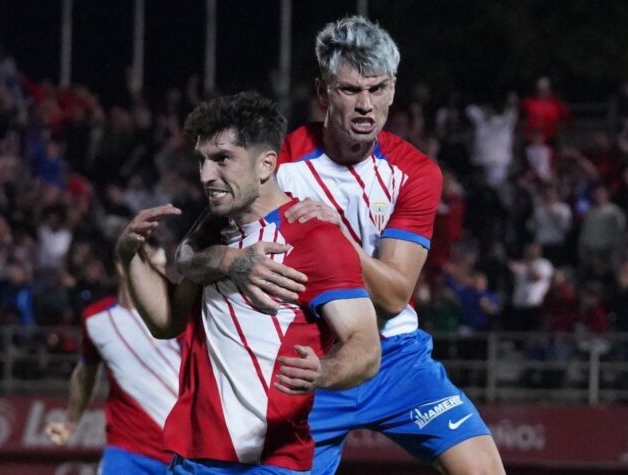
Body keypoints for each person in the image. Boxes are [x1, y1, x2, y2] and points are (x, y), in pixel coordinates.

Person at [177, 16, 505, 475]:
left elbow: (392, 297)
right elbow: (186, 257)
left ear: (393, 90)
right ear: (323, 91)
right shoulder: (279, 160)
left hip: (395, 359)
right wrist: (233, 260)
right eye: (351, 90)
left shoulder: (415, 173)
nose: (366, 104)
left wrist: (339, 237)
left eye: (379, 88)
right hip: (310, 362)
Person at [116, 92, 381, 474]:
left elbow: (366, 347)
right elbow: (167, 321)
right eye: (202, 160)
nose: (207, 175)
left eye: (222, 158)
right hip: (192, 458)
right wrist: (130, 255)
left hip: (270, 462)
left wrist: (323, 372)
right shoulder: (213, 240)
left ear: (266, 164)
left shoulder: (313, 238)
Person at [45, 240, 181, 475]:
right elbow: (85, 373)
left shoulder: (179, 315)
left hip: (183, 452)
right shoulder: (96, 321)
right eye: (152, 266)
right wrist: (70, 423)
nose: (160, 275)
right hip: (127, 451)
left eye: (162, 267)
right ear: (122, 267)